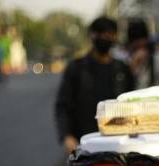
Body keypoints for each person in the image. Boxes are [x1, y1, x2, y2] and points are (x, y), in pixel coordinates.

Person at [55, 16, 134, 153]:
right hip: (83, 145)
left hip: (118, 145)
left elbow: (133, 104)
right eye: (101, 34)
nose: (105, 38)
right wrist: (66, 136)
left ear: (115, 37)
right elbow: (62, 105)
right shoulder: (76, 68)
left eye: (109, 34)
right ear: (92, 36)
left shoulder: (122, 69)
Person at [126, 18, 159, 89]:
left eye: (142, 45)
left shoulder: (158, 57)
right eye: (136, 46)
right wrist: (133, 66)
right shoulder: (124, 59)